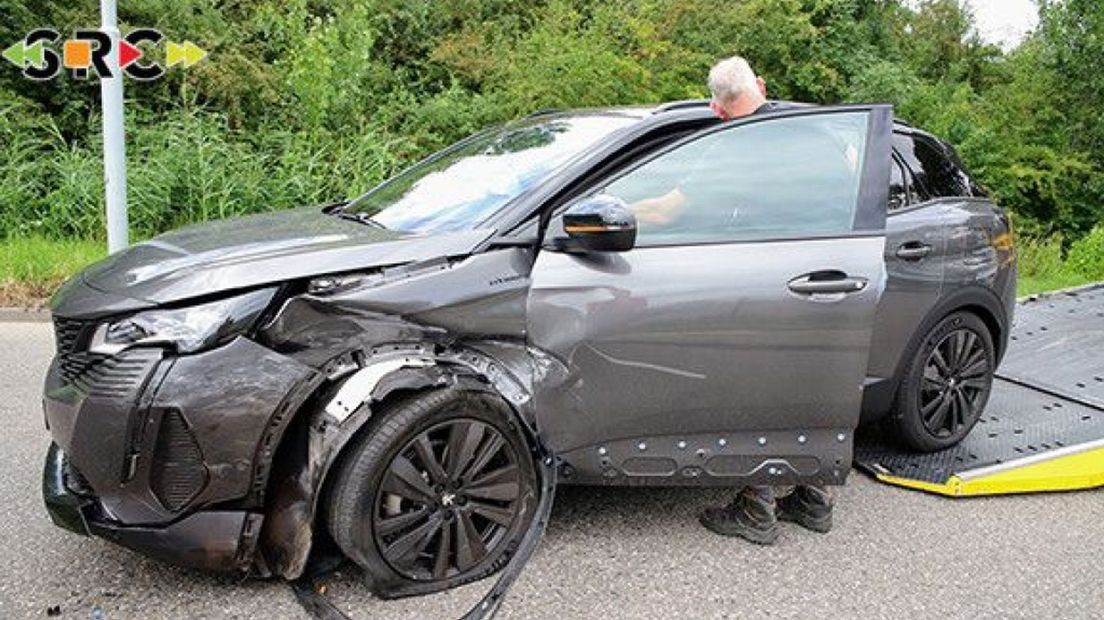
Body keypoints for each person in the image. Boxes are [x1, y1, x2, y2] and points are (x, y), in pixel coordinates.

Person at [686, 55, 835, 545]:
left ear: (716, 107)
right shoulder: (818, 135)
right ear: (762, 86)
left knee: (763, 394)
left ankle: (756, 509)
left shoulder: (735, 147)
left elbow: (687, 207)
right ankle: (813, 499)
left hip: (771, 284)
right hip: (834, 278)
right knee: (813, 388)